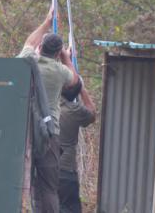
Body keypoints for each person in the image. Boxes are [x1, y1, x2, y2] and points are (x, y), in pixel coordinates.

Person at [18, 5, 78, 213]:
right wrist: (67, 57)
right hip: (49, 133)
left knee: (18, 185)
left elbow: (29, 42)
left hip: (24, 131)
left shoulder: (27, 61)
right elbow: (75, 81)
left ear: (41, 47)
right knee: (49, 188)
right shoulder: (59, 71)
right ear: (57, 52)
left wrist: (46, 21)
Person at [58, 78, 96, 213]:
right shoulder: (74, 110)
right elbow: (92, 113)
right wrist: (82, 90)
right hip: (66, 170)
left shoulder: (46, 107)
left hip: (45, 170)